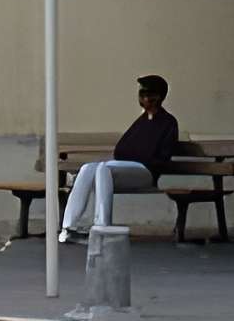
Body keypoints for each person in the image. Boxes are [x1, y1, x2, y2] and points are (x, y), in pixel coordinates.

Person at [59, 73, 179, 236]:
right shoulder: (142, 121)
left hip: (147, 172)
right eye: (141, 94)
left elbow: (161, 157)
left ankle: (102, 226)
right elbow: (121, 150)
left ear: (159, 96)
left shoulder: (168, 122)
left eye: (149, 94)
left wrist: (138, 154)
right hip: (127, 168)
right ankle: (68, 226)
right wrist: (138, 153)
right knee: (88, 168)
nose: (144, 98)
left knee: (103, 169)